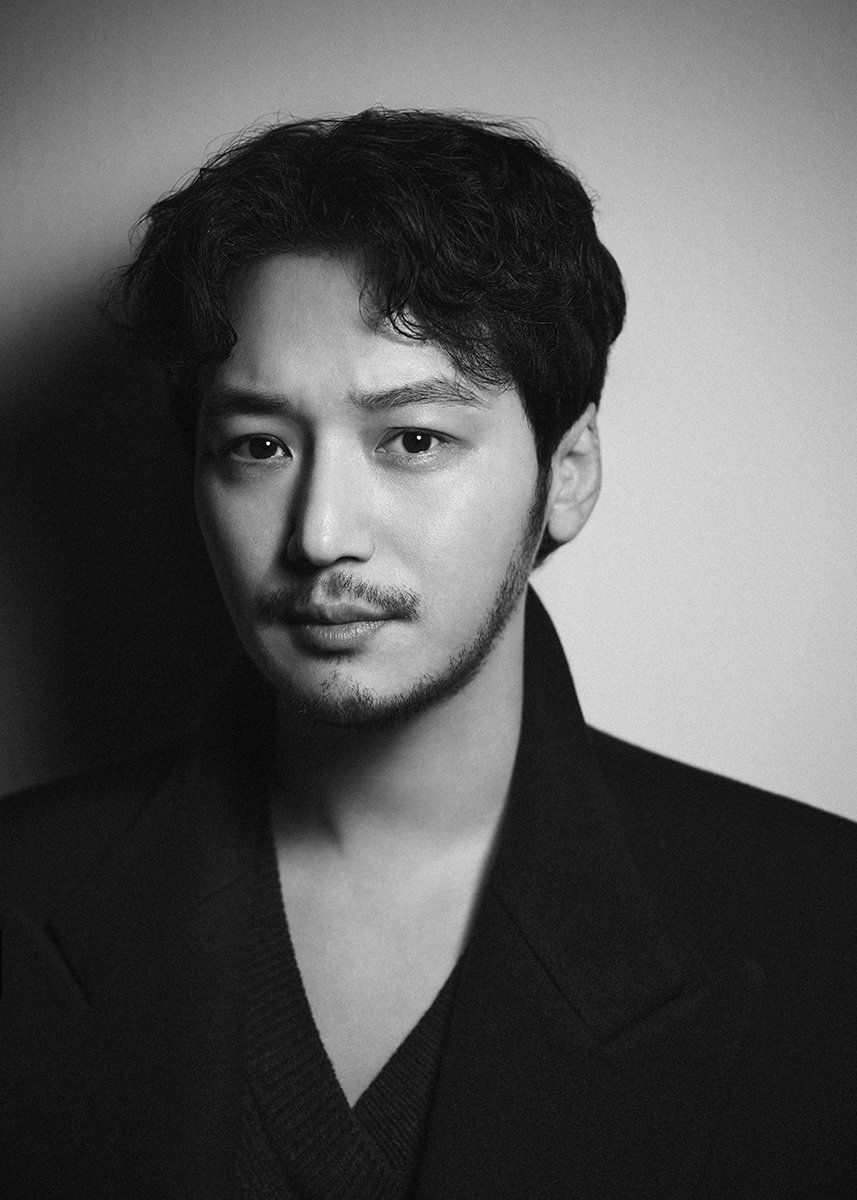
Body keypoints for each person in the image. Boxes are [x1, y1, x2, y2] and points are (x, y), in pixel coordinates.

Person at [1, 109, 855, 1200]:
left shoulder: (821, 926)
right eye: (259, 446)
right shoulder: (22, 890)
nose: (320, 535)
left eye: (412, 439)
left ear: (568, 476)